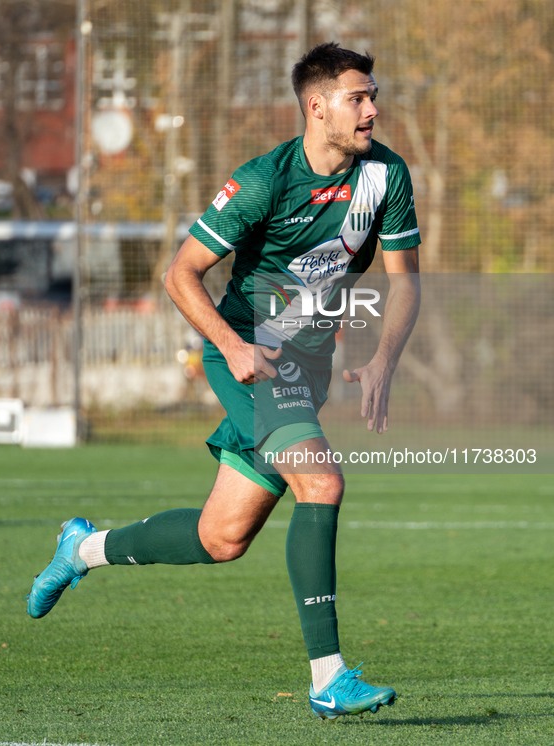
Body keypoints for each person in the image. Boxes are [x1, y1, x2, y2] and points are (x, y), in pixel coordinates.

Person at [26, 42, 421, 721]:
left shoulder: (387, 175)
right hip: (249, 359)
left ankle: (82, 548)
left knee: (221, 538)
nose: (372, 109)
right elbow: (180, 273)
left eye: (372, 96)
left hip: (308, 368)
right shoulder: (263, 181)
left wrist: (384, 358)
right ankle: (328, 676)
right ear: (317, 105)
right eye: (359, 97)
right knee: (321, 481)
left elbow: (405, 283)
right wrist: (232, 345)